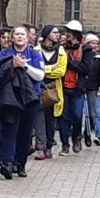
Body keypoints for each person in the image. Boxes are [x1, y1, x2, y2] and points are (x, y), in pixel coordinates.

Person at [0, 25, 45, 179]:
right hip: (9, 99)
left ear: (28, 37)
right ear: (12, 37)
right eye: (16, 34)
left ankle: (21, 164)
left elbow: (40, 76)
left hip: (30, 99)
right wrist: (11, 65)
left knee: (25, 133)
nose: (19, 37)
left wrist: (24, 66)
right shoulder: (4, 54)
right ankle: (7, 163)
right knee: (9, 130)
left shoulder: (34, 54)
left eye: (22, 34)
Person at [34, 25, 67, 160]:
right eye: (54, 32)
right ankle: (40, 146)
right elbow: (34, 68)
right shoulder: (36, 51)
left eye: (58, 33)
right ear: (47, 34)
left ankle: (49, 146)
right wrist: (49, 68)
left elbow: (61, 71)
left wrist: (43, 70)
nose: (57, 35)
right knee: (38, 118)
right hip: (39, 88)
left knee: (51, 120)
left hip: (54, 89)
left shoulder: (61, 52)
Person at [59, 20, 92, 154]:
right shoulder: (62, 47)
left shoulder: (86, 49)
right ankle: (64, 144)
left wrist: (69, 63)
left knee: (77, 116)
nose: (67, 34)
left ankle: (76, 137)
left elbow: (86, 68)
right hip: (63, 86)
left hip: (78, 88)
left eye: (70, 32)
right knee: (63, 117)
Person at [82, 33, 100, 146]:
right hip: (81, 86)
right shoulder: (82, 54)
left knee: (93, 113)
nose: (95, 45)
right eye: (93, 43)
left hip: (93, 87)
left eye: (97, 43)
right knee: (82, 113)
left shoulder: (98, 57)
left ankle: (95, 133)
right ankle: (83, 133)